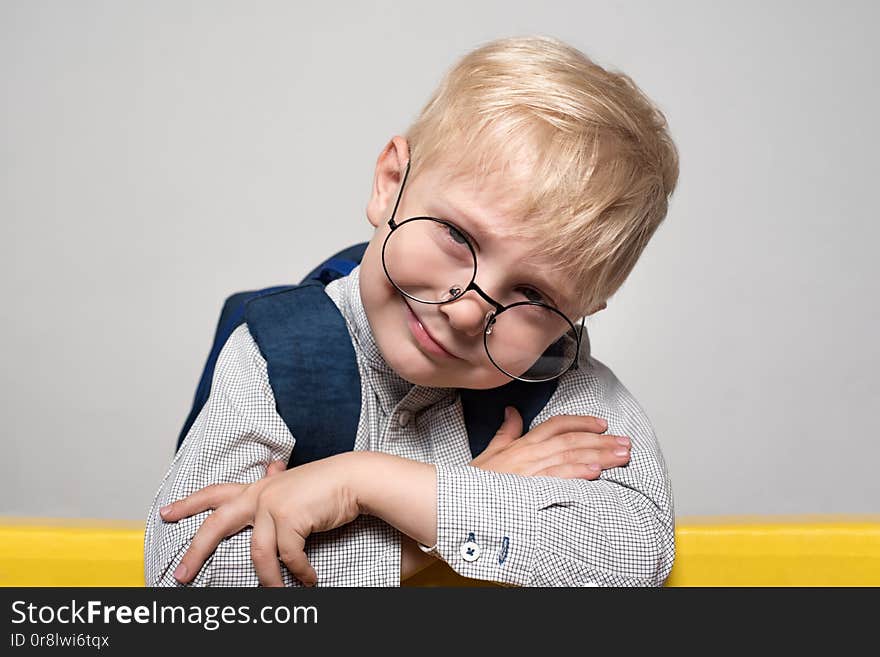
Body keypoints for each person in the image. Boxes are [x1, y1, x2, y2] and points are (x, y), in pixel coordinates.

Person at [144, 34, 680, 587]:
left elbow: (636, 554)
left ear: (584, 309)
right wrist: (443, 524)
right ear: (390, 184)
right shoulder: (279, 357)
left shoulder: (566, 390)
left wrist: (369, 484)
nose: (470, 313)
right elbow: (184, 586)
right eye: (456, 235)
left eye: (535, 296)